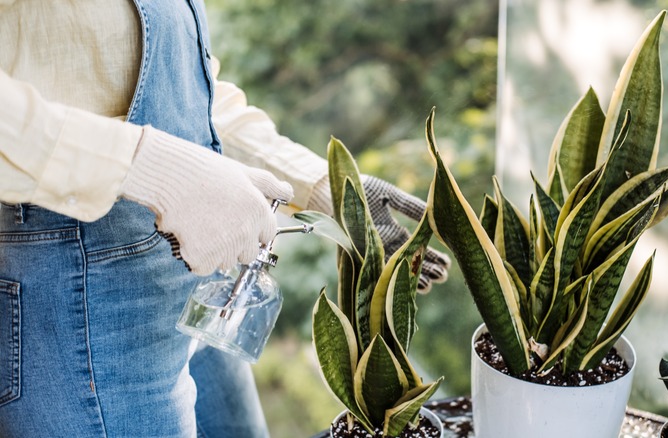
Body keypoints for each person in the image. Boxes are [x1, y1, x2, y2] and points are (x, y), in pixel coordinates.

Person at [0, 1, 450, 437]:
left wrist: (321, 184)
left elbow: (189, 87)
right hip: (83, 293)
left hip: (204, 279)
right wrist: (145, 165)